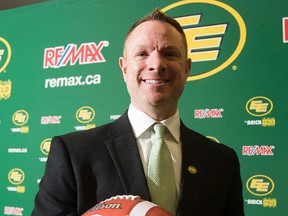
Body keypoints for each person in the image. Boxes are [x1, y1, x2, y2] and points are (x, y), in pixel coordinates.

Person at [32, 9, 244, 216]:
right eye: (142, 53)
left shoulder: (223, 161)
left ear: (186, 68)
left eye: (170, 53)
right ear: (124, 68)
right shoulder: (73, 153)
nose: (157, 64)